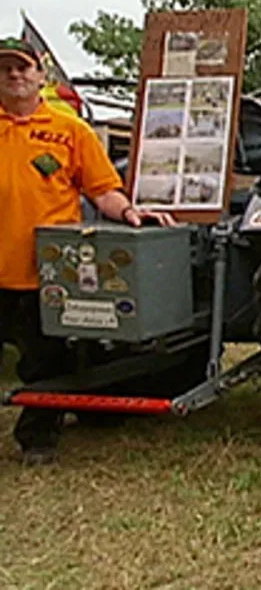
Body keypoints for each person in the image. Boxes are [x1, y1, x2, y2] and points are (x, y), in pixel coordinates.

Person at [0, 36, 175, 465]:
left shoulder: (69, 131)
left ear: (41, 75)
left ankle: (37, 440)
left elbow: (102, 190)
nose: (14, 75)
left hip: (46, 272)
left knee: (46, 362)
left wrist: (131, 211)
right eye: (5, 69)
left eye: (22, 67)